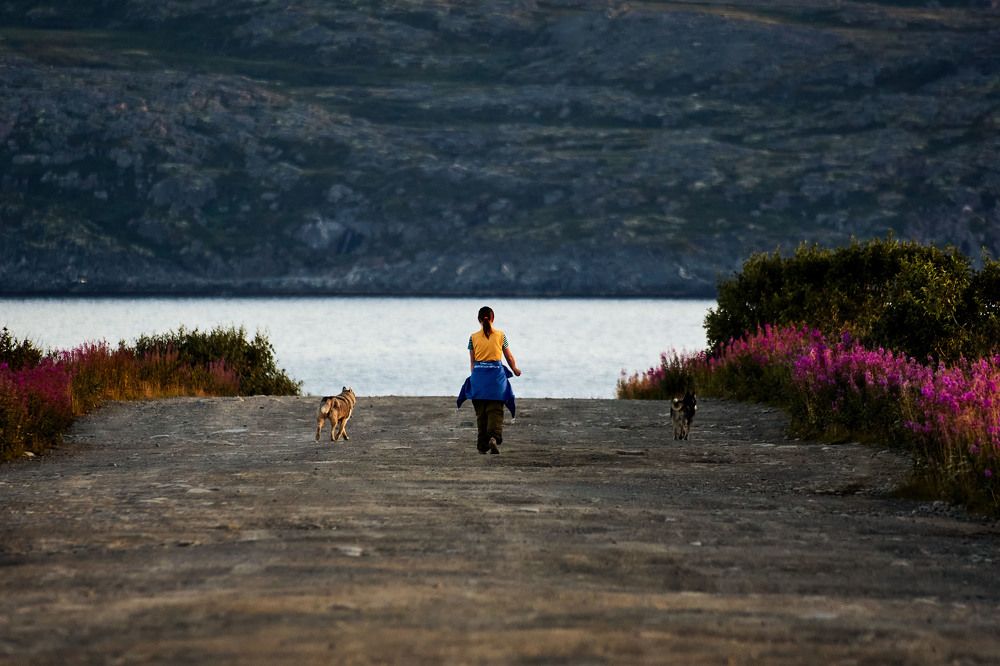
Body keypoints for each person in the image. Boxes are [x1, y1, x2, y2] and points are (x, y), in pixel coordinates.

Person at [456, 306, 522, 454]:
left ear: (479, 320)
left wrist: (475, 377)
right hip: (496, 379)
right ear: (493, 319)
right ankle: (493, 437)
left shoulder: (472, 337)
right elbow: (509, 356)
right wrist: (515, 369)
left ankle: (482, 446)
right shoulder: (501, 335)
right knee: (495, 410)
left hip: (479, 377)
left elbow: (472, 362)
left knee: (481, 414)